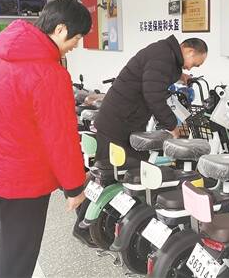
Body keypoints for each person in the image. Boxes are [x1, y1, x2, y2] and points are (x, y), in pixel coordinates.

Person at [0, 0, 92, 278]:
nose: (76, 45)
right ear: (60, 29)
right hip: (22, 183)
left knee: (9, 244)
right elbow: (61, 138)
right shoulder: (51, 73)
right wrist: (74, 187)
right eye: (77, 37)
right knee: (18, 258)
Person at [73, 35, 208, 246]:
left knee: (130, 169)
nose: (193, 68)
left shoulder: (164, 53)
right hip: (117, 122)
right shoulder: (163, 56)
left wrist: (179, 76)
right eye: (195, 63)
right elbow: (153, 95)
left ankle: (110, 223)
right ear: (189, 51)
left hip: (123, 120)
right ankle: (83, 227)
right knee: (112, 174)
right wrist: (172, 126)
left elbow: (155, 76)